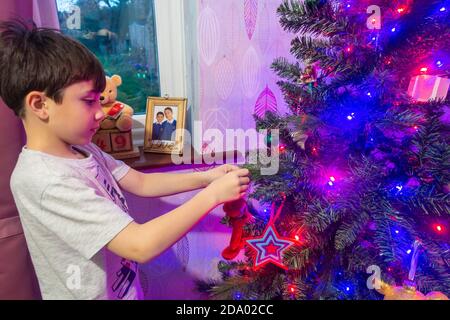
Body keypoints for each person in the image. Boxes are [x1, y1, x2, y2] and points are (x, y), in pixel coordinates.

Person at [0, 20, 250, 300]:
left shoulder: (82, 149)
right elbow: (139, 245)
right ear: (40, 105)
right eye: (88, 101)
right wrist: (213, 196)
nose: (100, 112)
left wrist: (208, 176)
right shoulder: (45, 181)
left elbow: (141, 182)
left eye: (99, 100)